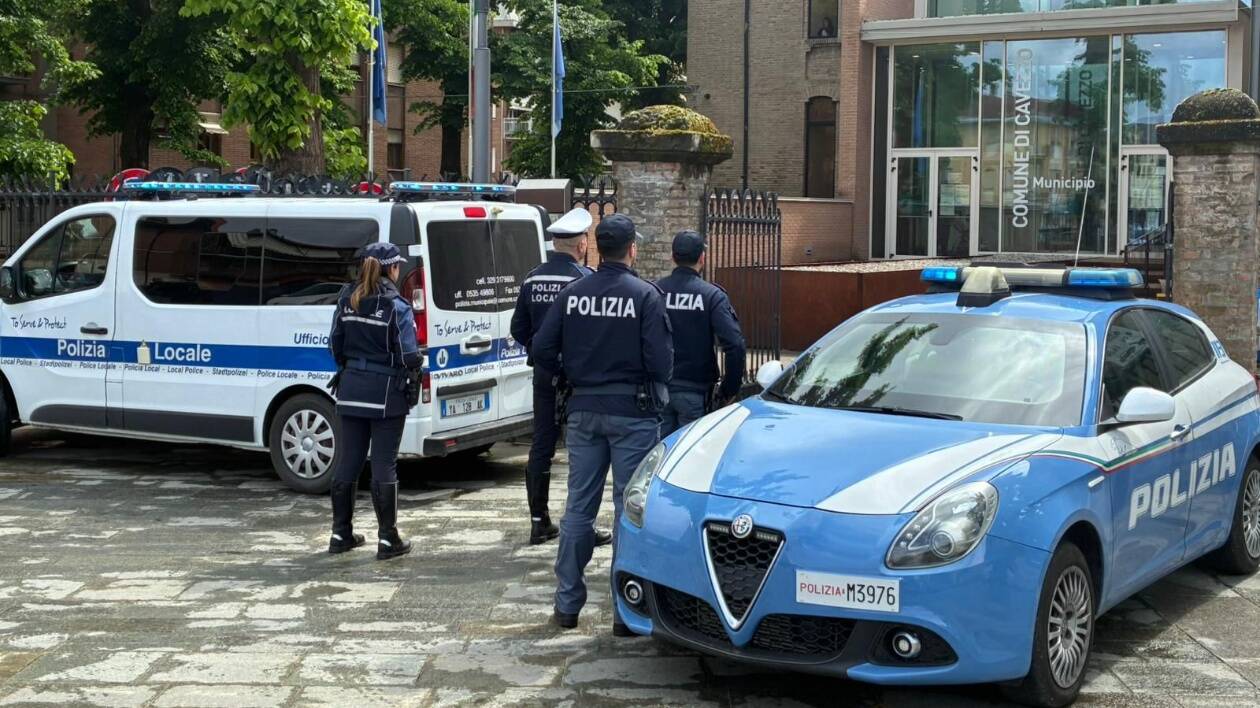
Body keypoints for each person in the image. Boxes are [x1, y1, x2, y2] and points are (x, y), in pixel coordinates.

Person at [532, 214, 673, 634]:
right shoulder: (645, 296)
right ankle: (624, 613)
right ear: (632, 249)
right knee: (628, 509)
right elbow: (661, 364)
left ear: (596, 248)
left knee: (579, 506)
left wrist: (570, 371)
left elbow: (541, 348)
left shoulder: (573, 293)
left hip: (583, 408)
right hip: (633, 412)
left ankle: (566, 605)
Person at [509, 208, 612, 548]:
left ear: (555, 243)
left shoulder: (532, 278)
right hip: (579, 377)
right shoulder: (585, 279)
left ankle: (538, 521)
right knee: (584, 450)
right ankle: (582, 523)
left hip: (544, 373)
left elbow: (518, 328)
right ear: (582, 244)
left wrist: (540, 352)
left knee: (542, 444)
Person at [326, 242, 422, 561]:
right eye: (398, 266)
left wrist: (353, 368)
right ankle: (387, 538)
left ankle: (340, 533)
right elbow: (409, 355)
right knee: (384, 463)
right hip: (385, 393)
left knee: (349, 461)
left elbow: (335, 345)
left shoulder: (347, 299)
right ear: (392, 268)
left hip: (351, 388)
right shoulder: (396, 306)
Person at [656, 230, 747, 437]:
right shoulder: (711, 295)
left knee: (661, 452)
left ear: (672, 257)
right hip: (695, 391)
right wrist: (729, 389)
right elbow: (735, 344)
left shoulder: (655, 291)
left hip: (660, 390)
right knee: (690, 451)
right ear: (702, 258)